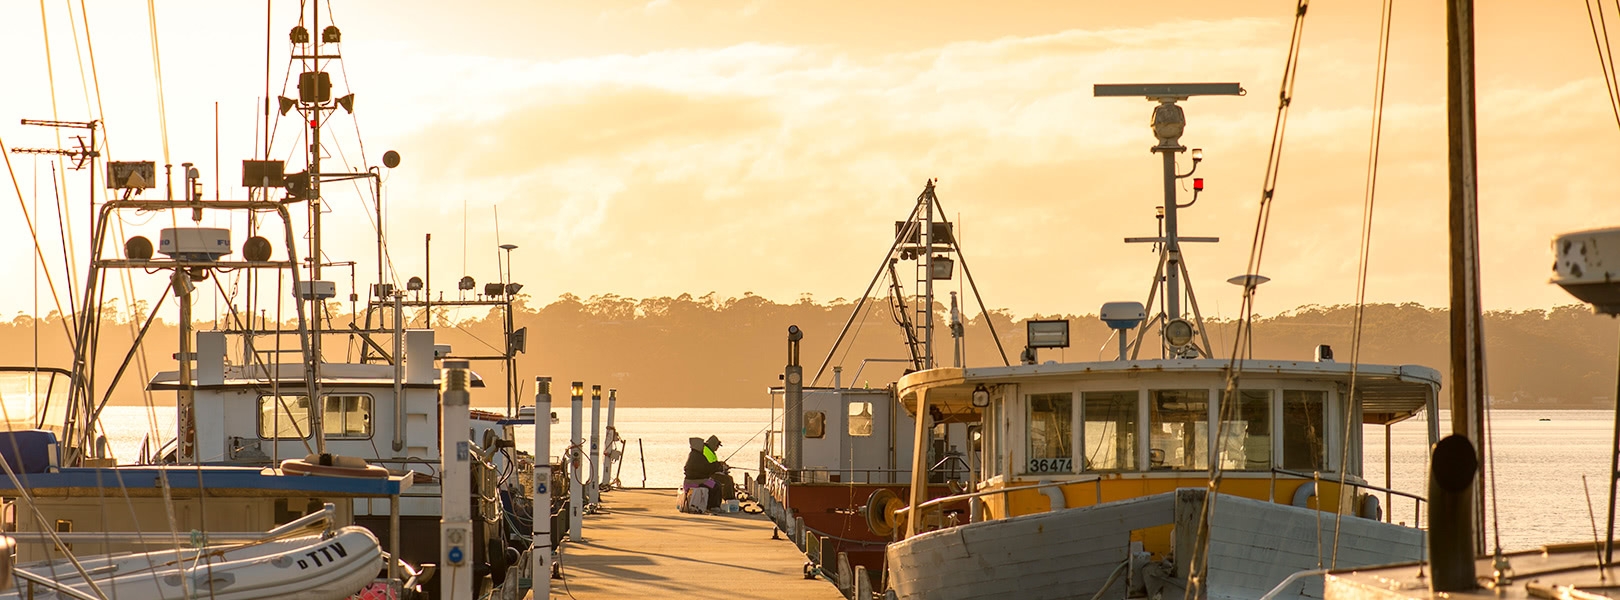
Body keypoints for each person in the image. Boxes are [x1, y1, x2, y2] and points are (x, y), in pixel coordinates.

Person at [683, 435, 735, 511]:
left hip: (696, 479)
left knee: (716, 484)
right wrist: (719, 466)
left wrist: (718, 465)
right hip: (696, 481)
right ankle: (713, 506)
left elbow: (705, 467)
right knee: (715, 485)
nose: (703, 447)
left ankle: (713, 505)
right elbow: (707, 468)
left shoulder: (694, 455)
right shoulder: (698, 456)